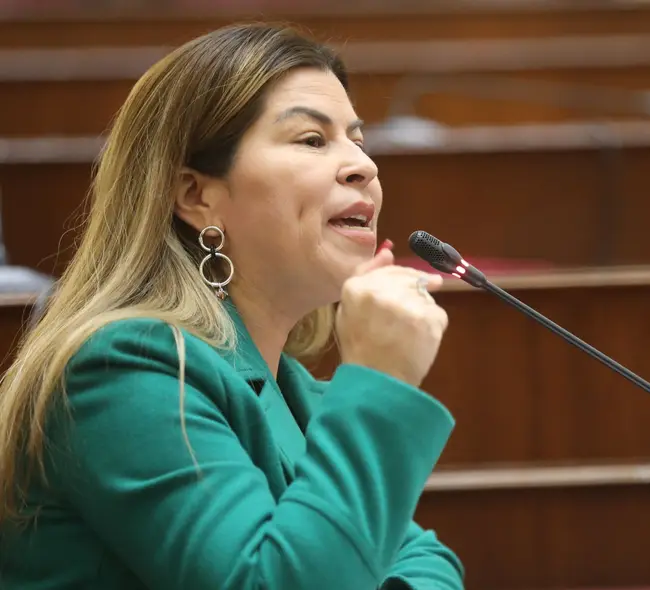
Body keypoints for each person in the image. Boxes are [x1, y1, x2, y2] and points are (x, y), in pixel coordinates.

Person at [0, 23, 463, 590]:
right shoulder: (122, 371)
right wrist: (378, 378)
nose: (364, 167)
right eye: (312, 141)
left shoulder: (299, 392)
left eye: (357, 139)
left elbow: (428, 563)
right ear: (195, 195)